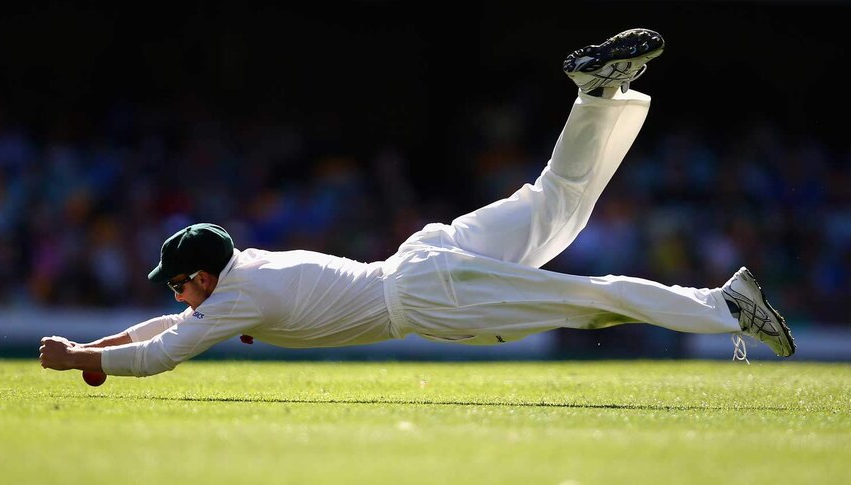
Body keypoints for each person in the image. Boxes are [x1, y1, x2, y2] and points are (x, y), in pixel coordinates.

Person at [39, 28, 795, 378]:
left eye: (178, 281)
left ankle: (726, 304)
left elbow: (164, 351)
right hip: (426, 254)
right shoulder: (242, 274)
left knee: (588, 300)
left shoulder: (234, 300)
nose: (176, 293)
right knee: (556, 203)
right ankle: (598, 93)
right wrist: (92, 352)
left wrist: (82, 356)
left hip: (431, 294)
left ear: (202, 275)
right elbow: (168, 326)